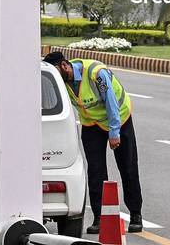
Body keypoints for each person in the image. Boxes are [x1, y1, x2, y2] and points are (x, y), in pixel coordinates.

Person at [42, 51, 143, 233]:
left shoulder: (96, 73)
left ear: (65, 66)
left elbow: (111, 101)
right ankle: (99, 217)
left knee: (127, 167)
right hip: (92, 124)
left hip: (119, 119)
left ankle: (136, 213)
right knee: (96, 171)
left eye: (57, 72)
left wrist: (114, 131)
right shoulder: (62, 82)